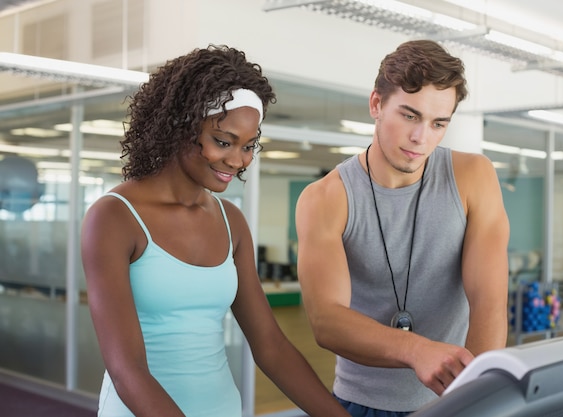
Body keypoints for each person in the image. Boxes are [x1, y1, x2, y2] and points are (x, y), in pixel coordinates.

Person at [81, 44, 350, 417]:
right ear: (180, 128)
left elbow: (270, 347)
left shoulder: (230, 220)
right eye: (223, 142)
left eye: (248, 146)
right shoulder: (113, 218)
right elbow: (128, 371)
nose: (238, 161)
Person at [295, 39, 510, 416]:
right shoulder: (327, 198)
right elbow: (326, 320)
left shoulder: (474, 178)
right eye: (410, 115)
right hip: (360, 404)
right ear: (377, 104)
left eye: (438, 123)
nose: (420, 137)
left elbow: (489, 301)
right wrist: (416, 350)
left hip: (453, 402)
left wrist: (475, 392)